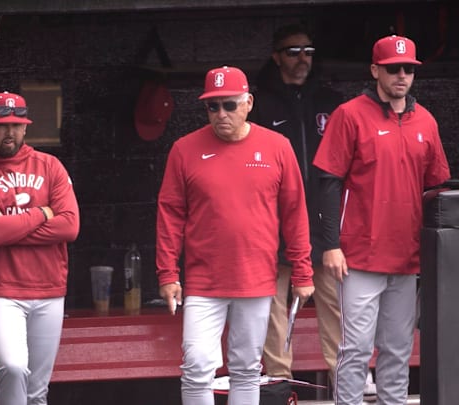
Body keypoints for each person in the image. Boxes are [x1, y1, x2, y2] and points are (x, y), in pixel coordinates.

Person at [155, 66, 315, 405]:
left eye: (229, 104)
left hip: (256, 278)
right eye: (212, 106)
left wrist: (303, 270)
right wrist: (167, 273)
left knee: (245, 369)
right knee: (197, 365)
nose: (221, 114)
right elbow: (170, 214)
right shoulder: (184, 149)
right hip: (203, 281)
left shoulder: (277, 147)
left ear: (248, 103)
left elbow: (295, 213)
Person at [313, 35, 450, 404]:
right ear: (376, 70)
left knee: (398, 351)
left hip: (406, 260)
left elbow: (436, 191)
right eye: (393, 69)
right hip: (358, 257)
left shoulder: (426, 121)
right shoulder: (350, 114)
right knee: (355, 351)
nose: (402, 75)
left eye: (408, 69)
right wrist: (330, 245)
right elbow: (327, 183)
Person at [0, 91, 80, 405]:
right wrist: (41, 214)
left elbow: (69, 226)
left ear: (26, 127)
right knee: (13, 367)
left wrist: (10, 226)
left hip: (50, 287)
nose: (9, 132)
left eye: (16, 125)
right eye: (1, 125)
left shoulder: (50, 166)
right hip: (0, 289)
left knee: (38, 391)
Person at [249, 23, 344, 387]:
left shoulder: (332, 102)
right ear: (276, 57)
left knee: (335, 304)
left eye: (308, 51)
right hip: (274, 223)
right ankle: (278, 381)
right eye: (293, 51)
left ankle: (345, 379)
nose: (302, 58)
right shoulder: (261, 104)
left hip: (323, 223)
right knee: (273, 305)